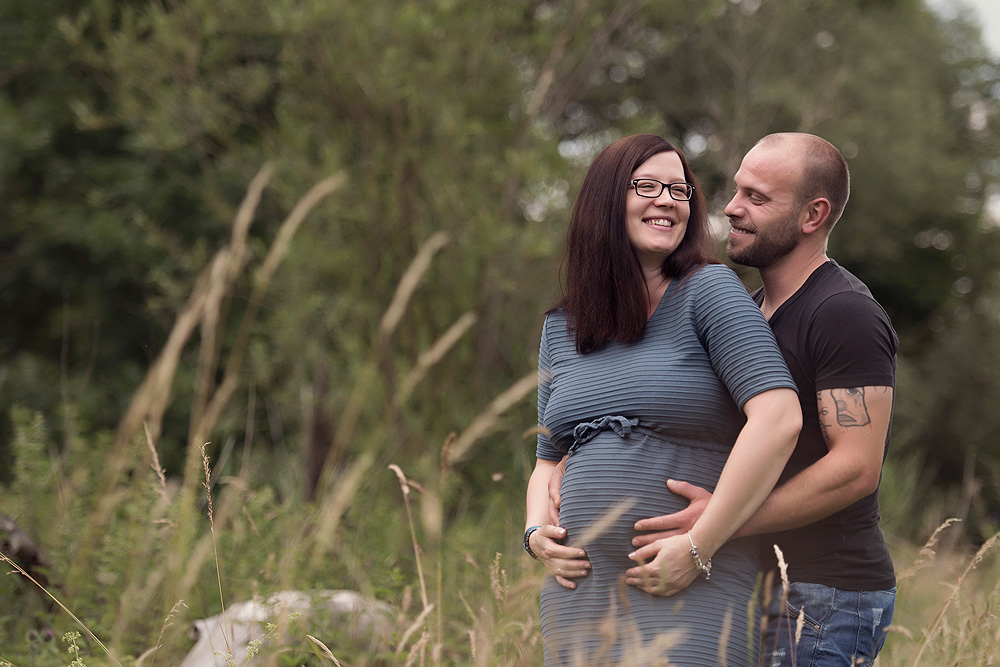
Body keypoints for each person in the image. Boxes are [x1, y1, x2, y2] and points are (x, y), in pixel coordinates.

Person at [524, 133, 802, 666]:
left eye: (680, 190)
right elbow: (547, 459)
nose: (668, 200)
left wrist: (698, 548)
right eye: (647, 185)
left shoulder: (708, 291)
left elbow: (779, 418)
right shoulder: (562, 325)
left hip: (685, 582)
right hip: (578, 593)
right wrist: (536, 532)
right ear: (606, 201)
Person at [626, 133, 898, 667]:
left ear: (812, 215)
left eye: (757, 197)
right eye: (736, 190)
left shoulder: (844, 312)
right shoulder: (752, 311)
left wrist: (715, 528)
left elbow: (855, 468)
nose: (732, 208)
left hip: (828, 593)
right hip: (755, 579)